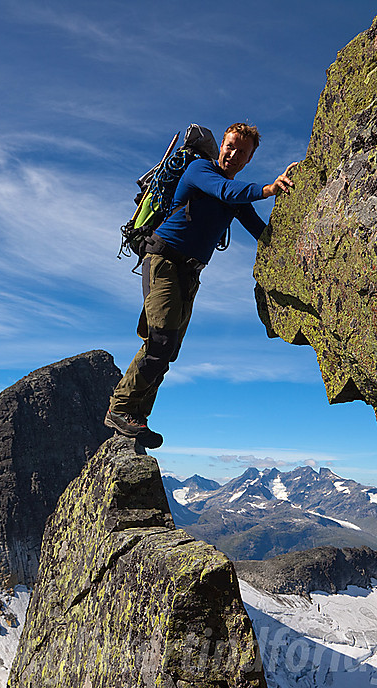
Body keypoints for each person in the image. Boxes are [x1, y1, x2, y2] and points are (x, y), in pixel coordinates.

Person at [105, 122, 297, 448]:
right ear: (221, 145)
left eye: (242, 152)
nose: (233, 154)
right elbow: (226, 191)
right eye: (230, 146)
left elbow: (262, 233)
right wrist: (268, 189)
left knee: (167, 349)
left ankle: (138, 416)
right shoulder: (199, 170)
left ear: (249, 160)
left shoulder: (234, 194)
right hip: (163, 261)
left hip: (189, 274)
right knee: (161, 339)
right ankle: (119, 408)